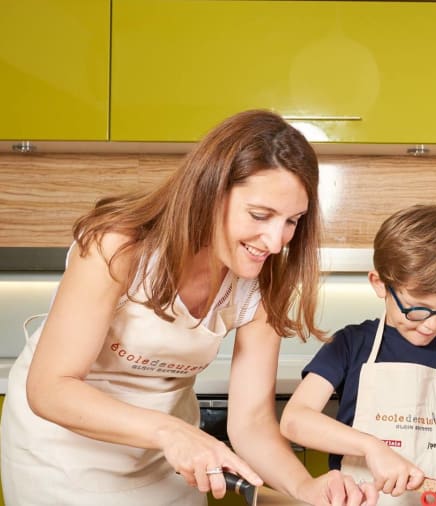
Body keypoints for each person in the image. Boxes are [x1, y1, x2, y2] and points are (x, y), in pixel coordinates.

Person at [0, 109, 377, 506]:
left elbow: (251, 422)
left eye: (292, 221)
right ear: (209, 192)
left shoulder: (261, 283)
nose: (275, 241)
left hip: (164, 455)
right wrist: (169, 432)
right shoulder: (118, 247)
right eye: (260, 215)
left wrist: (304, 487)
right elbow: (50, 388)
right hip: (63, 450)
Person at [280, 204, 436, 506]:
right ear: (380, 284)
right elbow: (295, 420)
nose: (432, 325)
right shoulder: (351, 345)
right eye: (418, 310)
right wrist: (371, 447)